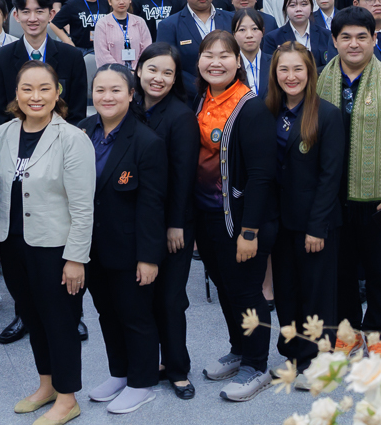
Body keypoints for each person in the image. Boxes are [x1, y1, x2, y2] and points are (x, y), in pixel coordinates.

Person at [0, 60, 90, 425]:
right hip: (14, 244)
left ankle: (68, 398)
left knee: (60, 322)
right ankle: (47, 385)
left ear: (57, 93)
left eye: (45, 88)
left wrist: (76, 258)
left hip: (56, 249)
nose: (36, 96)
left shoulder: (72, 138)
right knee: (32, 317)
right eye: (27, 89)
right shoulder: (3, 134)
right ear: (16, 94)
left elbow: (83, 206)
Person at [183, 33, 277, 401]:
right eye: (209, 55)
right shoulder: (200, 98)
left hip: (240, 221)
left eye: (225, 55)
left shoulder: (251, 107)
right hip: (207, 216)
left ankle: (257, 364)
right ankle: (239, 349)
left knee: (247, 290)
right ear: (199, 61)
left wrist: (249, 231)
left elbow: (261, 175)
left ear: (238, 62)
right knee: (225, 287)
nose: (216, 62)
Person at [74, 65, 165, 414]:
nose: (107, 97)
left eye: (115, 90)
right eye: (100, 90)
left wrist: (148, 257)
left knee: (135, 315)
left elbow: (152, 205)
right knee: (106, 313)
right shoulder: (83, 131)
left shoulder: (146, 141)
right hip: (92, 246)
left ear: (131, 94)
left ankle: (142, 383)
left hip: (130, 249)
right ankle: (120, 373)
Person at [325, 6, 381, 339]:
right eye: (346, 37)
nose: (354, 44)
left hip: (379, 199)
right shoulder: (319, 82)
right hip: (333, 198)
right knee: (340, 270)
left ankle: (379, 332)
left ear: (374, 39)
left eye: (362, 37)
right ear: (334, 40)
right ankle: (348, 331)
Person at [260, 43, 345, 373]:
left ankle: (318, 358)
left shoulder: (327, 114)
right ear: (274, 73)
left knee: (316, 292)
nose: (291, 76)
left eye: (298, 69)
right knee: (287, 291)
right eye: (283, 69)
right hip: (279, 222)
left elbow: (330, 177)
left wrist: (316, 227)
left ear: (310, 72)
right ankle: (293, 352)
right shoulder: (267, 111)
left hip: (314, 222)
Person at [128, 45, 198, 398]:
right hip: (137, 219)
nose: (159, 78)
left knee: (170, 299)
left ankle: (177, 368)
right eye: (153, 69)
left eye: (168, 73)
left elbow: (184, 178)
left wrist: (176, 225)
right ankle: (150, 362)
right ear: (139, 70)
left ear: (175, 79)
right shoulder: (130, 107)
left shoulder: (180, 116)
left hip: (172, 222)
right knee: (144, 297)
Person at [0, 0, 88, 123]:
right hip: (15, 134)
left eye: (39, 11)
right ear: (16, 15)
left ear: (51, 14)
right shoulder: (0, 59)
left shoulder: (72, 57)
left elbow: (77, 114)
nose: (32, 18)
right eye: (26, 12)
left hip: (62, 134)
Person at [93, 0, 151, 70]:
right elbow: (102, 55)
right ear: (109, 1)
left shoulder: (140, 22)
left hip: (138, 72)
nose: (121, 2)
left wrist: (136, 70)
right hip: (112, 73)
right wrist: (121, 72)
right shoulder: (102, 24)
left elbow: (147, 49)